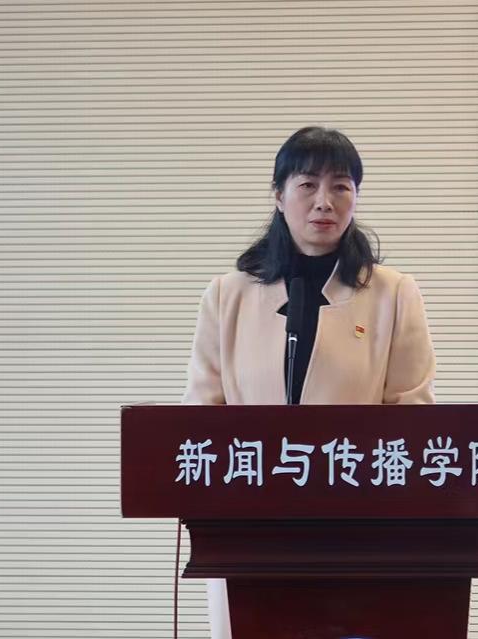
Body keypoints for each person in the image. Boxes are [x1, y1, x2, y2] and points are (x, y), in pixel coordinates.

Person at [181, 126, 436, 638]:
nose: (325, 201)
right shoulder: (227, 296)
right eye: (307, 185)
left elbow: (413, 417)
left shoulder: (393, 294)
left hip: (358, 530)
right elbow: (200, 418)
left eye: (341, 186)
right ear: (279, 195)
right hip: (249, 532)